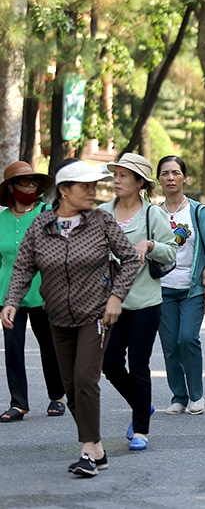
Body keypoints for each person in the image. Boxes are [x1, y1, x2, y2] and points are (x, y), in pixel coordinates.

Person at [1, 159, 140, 476]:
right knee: (71, 385)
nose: (93, 192)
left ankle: (87, 452)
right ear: (64, 191)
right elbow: (24, 267)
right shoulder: (41, 225)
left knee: (85, 381)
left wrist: (116, 298)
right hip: (58, 319)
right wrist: (11, 302)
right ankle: (98, 449)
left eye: (94, 186)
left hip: (96, 315)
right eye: (85, 187)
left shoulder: (101, 222)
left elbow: (130, 259)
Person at [99, 153, 178, 451]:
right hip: (111, 304)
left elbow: (171, 252)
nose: (116, 180)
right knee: (109, 364)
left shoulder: (151, 215)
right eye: (115, 174)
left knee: (139, 364)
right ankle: (142, 404)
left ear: (139, 182)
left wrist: (150, 244)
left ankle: (141, 428)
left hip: (146, 302)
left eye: (123, 175)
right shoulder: (103, 213)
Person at [0, 162, 66, 423]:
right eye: (24, 182)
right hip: (9, 297)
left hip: (43, 294)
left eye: (33, 182)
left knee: (49, 346)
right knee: (13, 349)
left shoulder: (48, 215)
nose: (30, 187)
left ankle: (57, 396)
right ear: (11, 188)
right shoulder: (1, 219)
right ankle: (19, 404)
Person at [156, 156, 205, 416]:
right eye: (165, 174)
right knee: (170, 344)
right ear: (159, 179)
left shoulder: (198, 211)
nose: (170, 178)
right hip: (162, 289)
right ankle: (178, 397)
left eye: (175, 173)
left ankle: (196, 395)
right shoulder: (154, 213)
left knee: (187, 338)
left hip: (192, 288)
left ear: (184, 177)